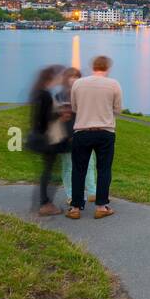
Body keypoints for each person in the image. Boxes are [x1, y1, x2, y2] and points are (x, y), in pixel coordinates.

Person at [68, 55, 122, 219]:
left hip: (82, 130)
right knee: (104, 169)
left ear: (93, 67)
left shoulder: (78, 83)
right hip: (105, 131)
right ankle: (101, 206)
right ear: (107, 68)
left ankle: (75, 207)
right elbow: (118, 109)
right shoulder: (113, 84)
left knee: (78, 170)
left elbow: (74, 107)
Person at [27, 64, 66, 216]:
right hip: (48, 140)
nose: (62, 78)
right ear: (52, 78)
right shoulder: (45, 95)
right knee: (48, 172)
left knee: (48, 172)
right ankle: (44, 203)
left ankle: (44, 202)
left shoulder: (39, 92)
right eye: (60, 76)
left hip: (44, 139)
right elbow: (43, 119)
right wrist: (60, 115)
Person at [56, 67, 96, 204]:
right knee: (68, 166)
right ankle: (71, 195)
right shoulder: (60, 96)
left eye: (77, 77)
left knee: (89, 163)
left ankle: (92, 192)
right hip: (67, 137)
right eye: (71, 77)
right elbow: (59, 119)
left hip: (85, 133)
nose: (74, 79)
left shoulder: (84, 94)